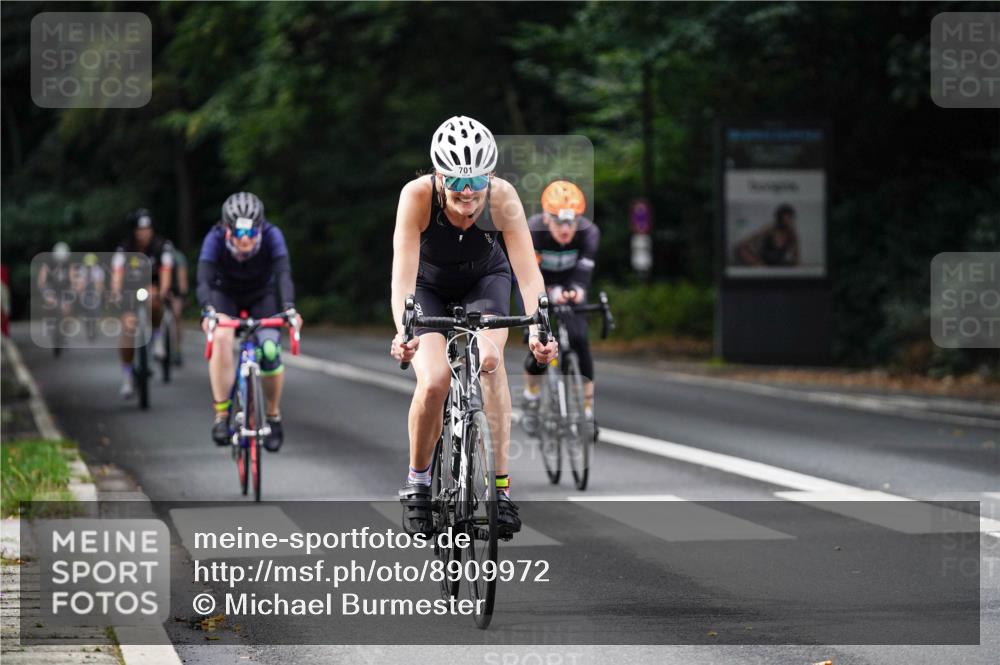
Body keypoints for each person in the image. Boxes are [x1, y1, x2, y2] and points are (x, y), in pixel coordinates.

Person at [389, 116, 558, 538]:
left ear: (491, 175)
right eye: (457, 182)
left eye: (477, 180)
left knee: (488, 360)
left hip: (486, 280)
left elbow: (528, 274)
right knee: (434, 380)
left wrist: (540, 327)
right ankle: (419, 484)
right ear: (439, 175)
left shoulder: (503, 198)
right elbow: (403, 280)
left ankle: (500, 491)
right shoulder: (417, 197)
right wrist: (405, 332)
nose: (468, 192)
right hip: (428, 286)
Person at [196, 192, 301, 452]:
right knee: (221, 336)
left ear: (260, 228)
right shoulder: (215, 237)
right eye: (239, 233)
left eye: (251, 233)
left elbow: (283, 275)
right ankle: (222, 415)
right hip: (225, 295)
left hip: (261, 296)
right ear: (227, 229)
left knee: (269, 350)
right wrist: (208, 310)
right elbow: (203, 280)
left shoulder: (273, 235)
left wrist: (289, 309)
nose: (245, 239)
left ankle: (273, 416)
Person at [520, 181, 601, 438]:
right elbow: (527, 275)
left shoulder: (589, 233)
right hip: (537, 286)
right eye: (559, 222)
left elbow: (584, 272)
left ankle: (587, 412)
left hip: (569, 286)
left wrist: (577, 290)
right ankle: (531, 397)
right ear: (546, 217)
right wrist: (549, 294)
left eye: (572, 221)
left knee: (579, 340)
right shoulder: (532, 231)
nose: (566, 229)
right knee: (539, 348)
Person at [111, 211, 173, 397]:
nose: (144, 234)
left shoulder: (162, 246)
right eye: (140, 230)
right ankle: (127, 375)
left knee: (155, 298)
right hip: (129, 290)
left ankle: (157, 335)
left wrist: (163, 292)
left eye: (147, 229)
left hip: (152, 286)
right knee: (128, 328)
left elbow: (166, 272)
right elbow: (117, 274)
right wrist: (116, 293)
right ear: (134, 231)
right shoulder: (124, 248)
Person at [734, 203, 801, 267]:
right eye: (784, 218)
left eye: (789, 218)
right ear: (779, 218)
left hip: (779, 264)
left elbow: (796, 255)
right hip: (762, 262)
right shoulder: (770, 229)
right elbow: (750, 239)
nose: (786, 221)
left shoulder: (792, 234)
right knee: (741, 248)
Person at [167, 243, 190, 366]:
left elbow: (182, 278)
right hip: (161, 290)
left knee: (177, 315)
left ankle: (178, 349)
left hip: (174, 290)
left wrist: (182, 295)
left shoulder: (178, 257)